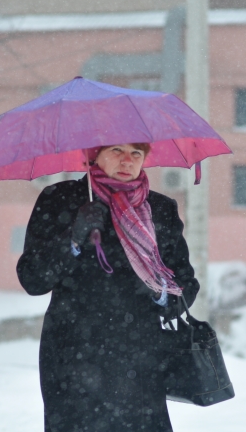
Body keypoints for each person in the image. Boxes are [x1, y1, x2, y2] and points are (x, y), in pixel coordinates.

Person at [17, 143, 199, 432]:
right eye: (117, 150)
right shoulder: (59, 199)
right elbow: (32, 278)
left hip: (139, 360)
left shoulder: (160, 209)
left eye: (136, 154)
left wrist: (159, 292)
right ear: (93, 155)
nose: (127, 161)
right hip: (73, 356)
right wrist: (73, 238)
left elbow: (186, 284)